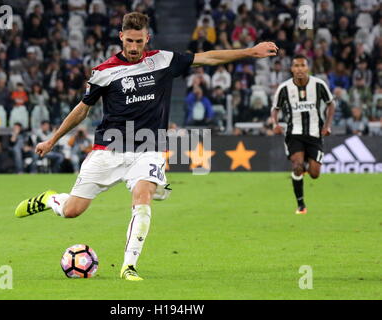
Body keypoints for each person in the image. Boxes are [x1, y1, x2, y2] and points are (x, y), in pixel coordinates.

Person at [14, 12, 278, 281]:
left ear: (146, 39)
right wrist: (52, 140)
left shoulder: (162, 60)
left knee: (142, 198)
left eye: (138, 41)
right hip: (109, 149)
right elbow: (82, 110)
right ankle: (49, 199)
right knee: (72, 211)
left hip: (148, 149)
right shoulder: (104, 72)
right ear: (121, 37)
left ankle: (129, 266)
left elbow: (208, 57)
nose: (133, 47)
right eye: (129, 41)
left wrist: (250, 52)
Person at [271, 54, 335, 215]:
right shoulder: (284, 88)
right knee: (298, 167)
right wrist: (275, 124)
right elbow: (275, 108)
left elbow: (331, 104)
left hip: (315, 134)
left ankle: (306, 162)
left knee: (314, 174)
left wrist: (327, 126)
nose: (299, 69)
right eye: (296, 66)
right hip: (294, 134)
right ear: (292, 69)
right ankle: (301, 205)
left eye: (302, 66)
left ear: (307, 68)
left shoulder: (319, 85)